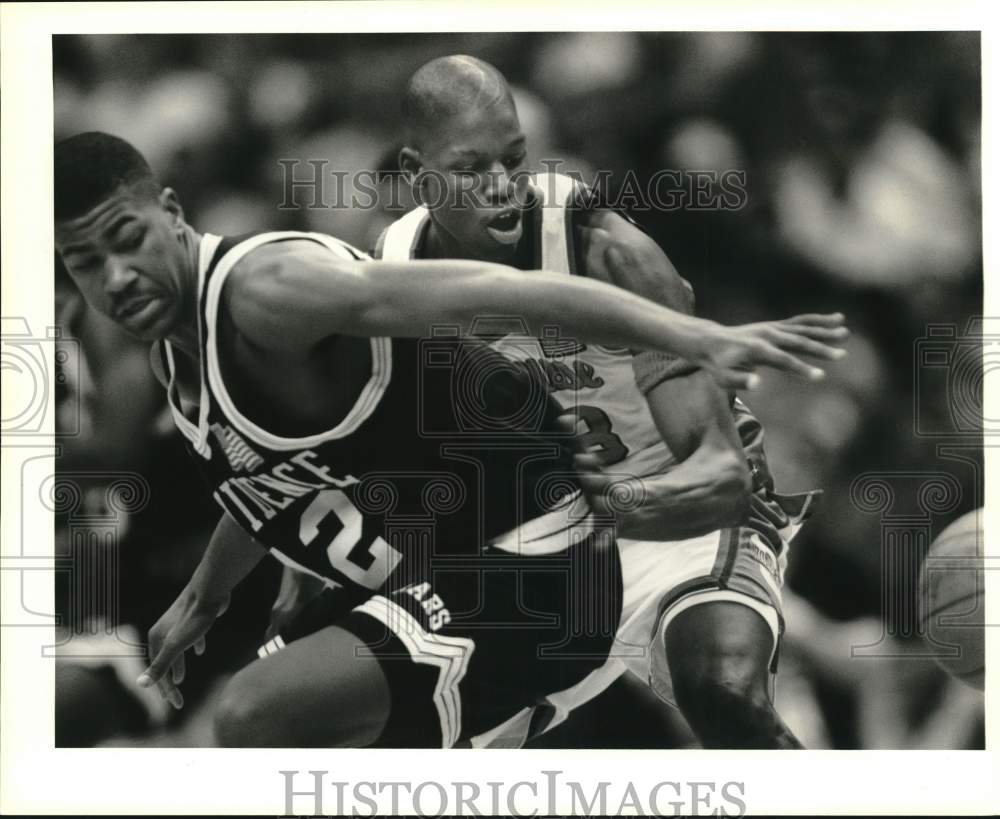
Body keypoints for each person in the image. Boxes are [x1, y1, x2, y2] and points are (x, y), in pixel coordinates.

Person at [54, 131, 845, 748]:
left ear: (171, 210)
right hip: (453, 567)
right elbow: (271, 474)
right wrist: (205, 593)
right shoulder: (174, 344)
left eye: (127, 239)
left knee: (257, 716)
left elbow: (505, 290)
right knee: (279, 751)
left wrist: (693, 334)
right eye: (87, 262)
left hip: (537, 559)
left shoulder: (269, 292)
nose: (116, 275)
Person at [369, 55, 827, 748]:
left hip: (679, 520)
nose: (502, 188)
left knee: (721, 691)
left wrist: (597, 506)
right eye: (471, 169)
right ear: (416, 173)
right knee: (399, 739)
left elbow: (722, 476)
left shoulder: (610, 253)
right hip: (541, 544)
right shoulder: (393, 270)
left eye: (514, 160)